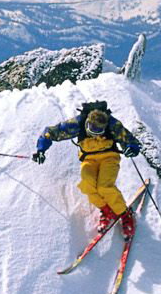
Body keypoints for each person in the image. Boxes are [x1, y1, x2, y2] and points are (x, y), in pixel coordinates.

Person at [33, 101, 143, 235]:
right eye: (92, 129)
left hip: (109, 158)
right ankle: (106, 211)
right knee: (87, 185)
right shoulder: (78, 124)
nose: (94, 134)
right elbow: (51, 132)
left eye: (99, 131)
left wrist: (132, 148)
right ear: (87, 123)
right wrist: (41, 150)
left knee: (104, 187)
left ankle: (125, 215)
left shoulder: (112, 124)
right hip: (89, 159)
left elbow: (130, 140)